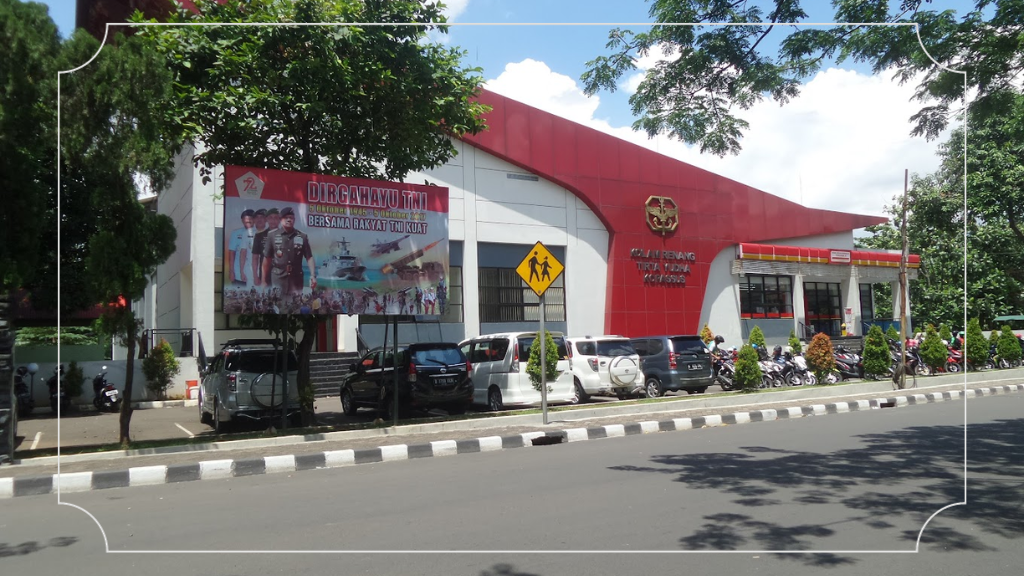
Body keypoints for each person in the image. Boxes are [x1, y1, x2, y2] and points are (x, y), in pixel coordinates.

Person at [262, 206, 317, 301]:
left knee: (295, 303)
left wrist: (312, 275)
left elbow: (309, 257)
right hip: (278, 277)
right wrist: (263, 280)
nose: (288, 220)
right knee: (278, 304)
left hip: (296, 278)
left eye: (291, 218)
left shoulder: (302, 236)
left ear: (294, 220)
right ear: (281, 219)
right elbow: (267, 259)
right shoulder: (272, 235)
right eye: (286, 217)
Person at [227, 209, 255, 286]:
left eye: (251, 218)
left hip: (254, 275)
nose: (248, 221)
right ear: (242, 220)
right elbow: (232, 253)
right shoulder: (236, 233)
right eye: (246, 219)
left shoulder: (259, 233)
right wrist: (231, 271)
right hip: (238, 274)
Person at [250, 208, 269, 287]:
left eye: (262, 217)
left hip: (266, 273)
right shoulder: (246, 233)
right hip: (249, 272)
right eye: (257, 217)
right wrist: (255, 276)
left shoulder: (271, 233)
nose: (259, 219)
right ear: (254, 219)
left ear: (266, 219)